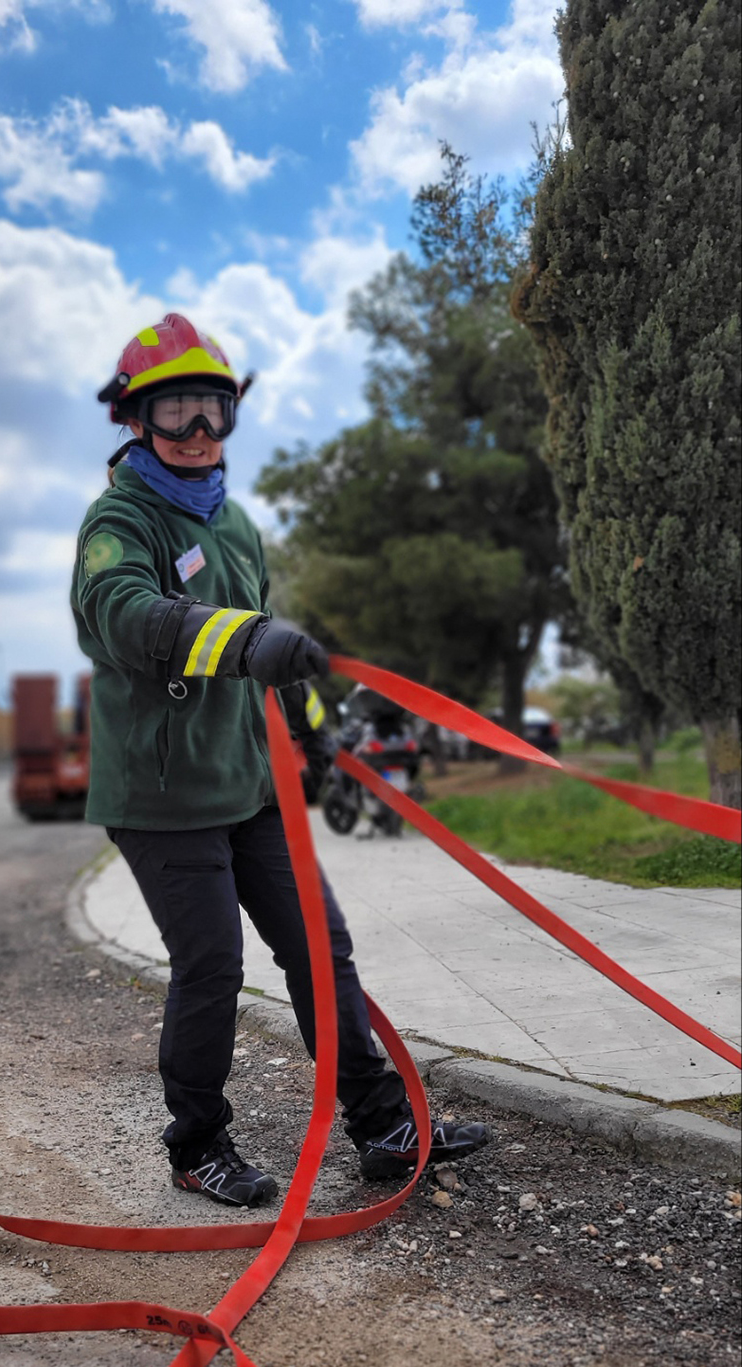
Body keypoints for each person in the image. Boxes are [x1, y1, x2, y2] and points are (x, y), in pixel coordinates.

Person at [70, 312, 489, 1208]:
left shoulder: (238, 526)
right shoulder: (117, 522)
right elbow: (127, 617)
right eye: (177, 412)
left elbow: (270, 650)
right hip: (163, 795)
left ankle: (382, 1127)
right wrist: (248, 637)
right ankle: (197, 1145)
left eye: (214, 412)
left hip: (252, 782)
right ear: (135, 421)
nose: (198, 434)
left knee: (318, 947)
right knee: (214, 962)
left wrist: (312, 727)